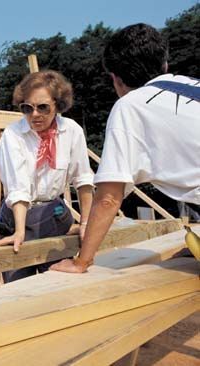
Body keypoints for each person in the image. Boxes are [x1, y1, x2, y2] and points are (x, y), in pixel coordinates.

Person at [51, 23, 200, 273]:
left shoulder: (130, 105)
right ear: (165, 65)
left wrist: (81, 261)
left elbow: (109, 197)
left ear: (116, 79)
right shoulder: (192, 85)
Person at [0, 70, 94, 282]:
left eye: (43, 107)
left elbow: (83, 181)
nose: (35, 114)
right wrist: (20, 232)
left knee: (59, 282)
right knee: (19, 289)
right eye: (27, 108)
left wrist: (86, 224)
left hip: (52, 214)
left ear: (58, 104)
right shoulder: (13, 135)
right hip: (18, 217)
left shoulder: (71, 131)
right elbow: (18, 188)